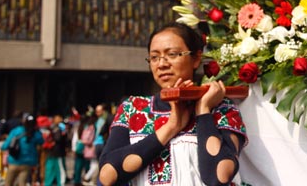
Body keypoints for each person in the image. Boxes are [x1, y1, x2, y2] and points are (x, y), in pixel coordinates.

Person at [98, 23, 247, 186]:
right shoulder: (133, 108)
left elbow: (218, 177)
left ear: (196, 58)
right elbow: (106, 177)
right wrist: (172, 126)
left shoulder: (223, 109)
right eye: (154, 57)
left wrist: (203, 112)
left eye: (172, 54)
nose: (161, 64)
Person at [1, 115, 44, 186]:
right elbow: (41, 141)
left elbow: (5, 146)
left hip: (14, 161)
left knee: (8, 183)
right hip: (27, 163)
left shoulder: (16, 131)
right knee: (22, 183)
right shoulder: (35, 133)